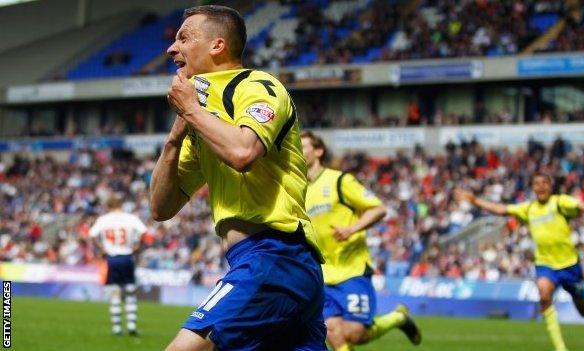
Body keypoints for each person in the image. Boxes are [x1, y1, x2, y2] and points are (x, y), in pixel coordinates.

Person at [151, 5, 326, 351]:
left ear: (218, 45)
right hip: (272, 264)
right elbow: (160, 207)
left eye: (183, 38)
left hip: (275, 256)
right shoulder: (202, 115)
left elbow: (243, 153)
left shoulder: (256, 85)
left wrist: (191, 111)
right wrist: (173, 141)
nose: (172, 49)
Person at [455, 173, 584, 351]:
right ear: (533, 188)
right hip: (545, 265)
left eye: (544, 183)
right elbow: (502, 209)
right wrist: (475, 201)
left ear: (550, 186)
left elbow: (583, 205)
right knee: (544, 296)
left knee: (582, 309)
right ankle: (560, 348)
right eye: (536, 184)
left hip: (570, 265)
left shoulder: (559, 202)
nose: (540, 187)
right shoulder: (528, 208)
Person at [301, 131, 422, 351]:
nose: (298, 150)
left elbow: (378, 208)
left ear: (318, 151)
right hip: (322, 274)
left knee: (356, 334)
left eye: (304, 146)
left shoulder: (339, 180)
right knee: (334, 334)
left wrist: (352, 228)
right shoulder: (298, 189)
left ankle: (398, 317)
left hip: (352, 270)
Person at [89, 194, 146, 336]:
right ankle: (132, 325)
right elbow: (144, 232)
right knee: (130, 292)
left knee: (114, 293)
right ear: (121, 205)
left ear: (108, 206)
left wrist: (101, 248)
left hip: (112, 258)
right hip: (127, 257)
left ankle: (117, 328)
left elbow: (91, 235)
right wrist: (137, 246)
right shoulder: (131, 218)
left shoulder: (103, 219)